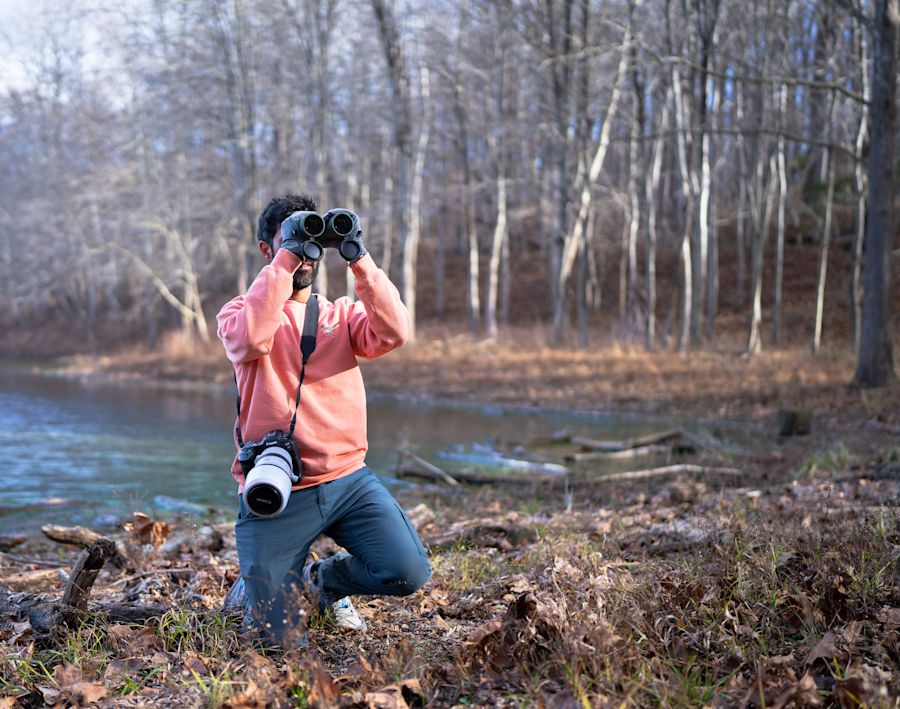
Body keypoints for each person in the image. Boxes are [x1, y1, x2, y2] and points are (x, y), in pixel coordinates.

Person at [216, 193, 431, 647]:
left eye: (309, 236)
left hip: (348, 480)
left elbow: (395, 332)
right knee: (275, 641)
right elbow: (252, 339)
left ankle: (321, 581)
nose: (303, 251)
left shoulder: (342, 314)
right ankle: (267, 579)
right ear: (265, 250)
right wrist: (286, 260)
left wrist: (359, 257)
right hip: (277, 488)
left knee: (406, 571)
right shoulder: (239, 312)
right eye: (289, 237)